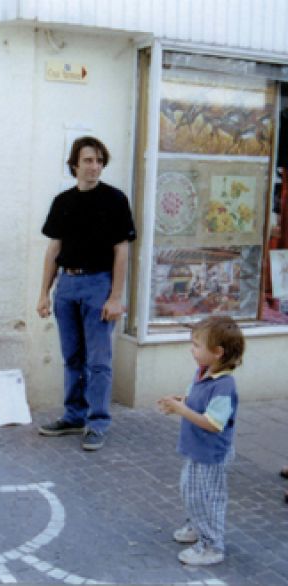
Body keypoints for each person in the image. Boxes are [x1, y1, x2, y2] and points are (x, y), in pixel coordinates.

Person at [36, 136, 136, 451]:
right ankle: (73, 416)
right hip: (67, 285)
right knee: (72, 357)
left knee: (99, 361)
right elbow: (54, 248)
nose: (94, 166)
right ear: (75, 165)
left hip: (99, 285)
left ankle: (97, 422)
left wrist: (115, 297)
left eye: (99, 161)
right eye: (88, 160)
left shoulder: (115, 200)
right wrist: (44, 293)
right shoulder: (63, 202)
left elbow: (121, 251)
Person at [157, 316, 244, 566]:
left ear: (217, 352)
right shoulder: (203, 373)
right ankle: (198, 525)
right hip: (198, 450)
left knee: (208, 497)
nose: (191, 349)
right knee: (191, 491)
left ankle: (211, 545)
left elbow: (214, 423)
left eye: (196, 345)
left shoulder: (224, 386)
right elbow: (196, 402)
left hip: (211, 454)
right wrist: (180, 403)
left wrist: (182, 411)